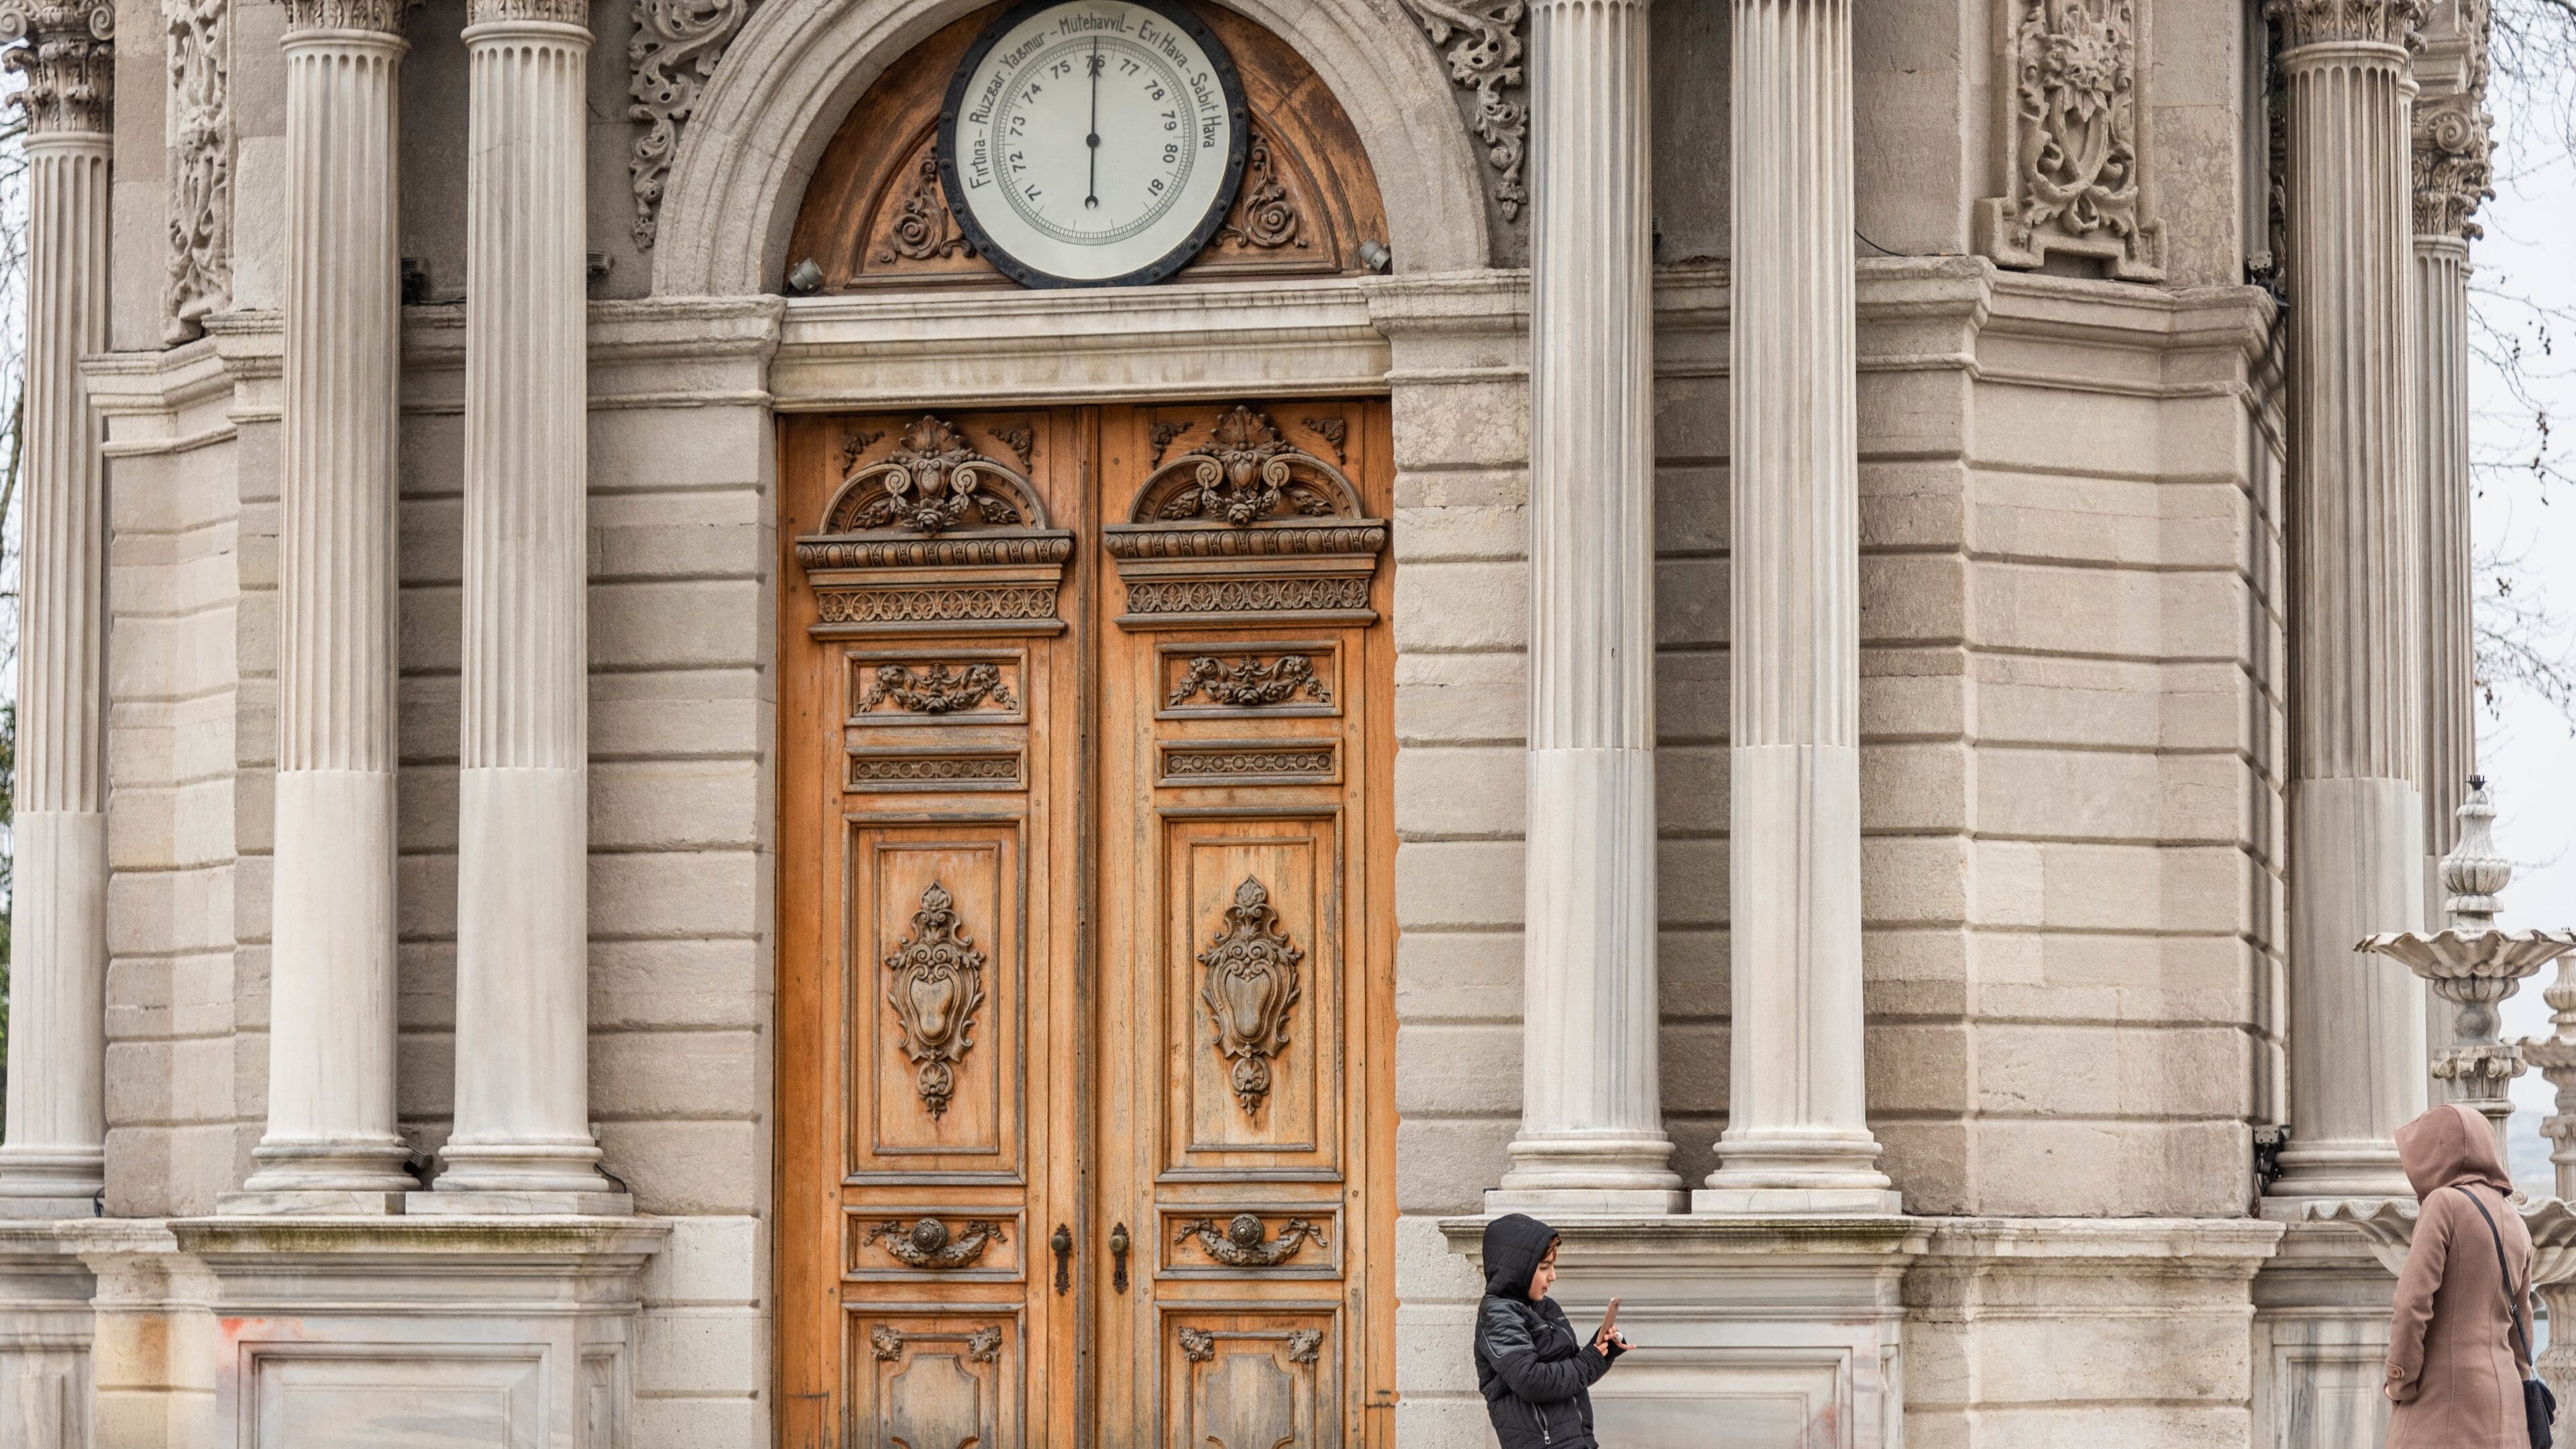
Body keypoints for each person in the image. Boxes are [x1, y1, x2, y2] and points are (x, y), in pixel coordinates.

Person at [2385, 1102, 2538, 1449]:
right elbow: (2522, 1331)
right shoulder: (2516, 1222)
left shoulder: (2444, 1204)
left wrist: (2399, 1380)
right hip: (2508, 1414)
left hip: (2443, 1410)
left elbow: (2412, 1305)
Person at [1474, 1213, 1630, 1448]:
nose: (1553, 1276)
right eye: (1543, 1267)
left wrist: (1601, 1350)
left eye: (1553, 1266)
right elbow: (1532, 1381)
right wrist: (1590, 1360)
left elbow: (1572, 1373)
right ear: (1518, 1269)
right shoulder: (1498, 1315)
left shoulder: (1545, 1307)